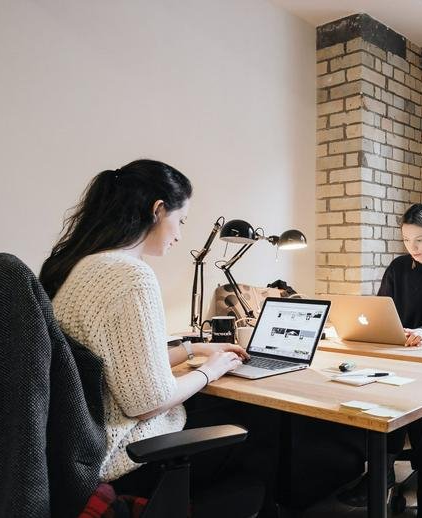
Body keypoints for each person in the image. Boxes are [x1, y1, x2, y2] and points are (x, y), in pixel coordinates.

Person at [39, 159, 277, 515]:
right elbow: (146, 402)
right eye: (180, 220)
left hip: (80, 455)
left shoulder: (85, 265)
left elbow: (120, 367)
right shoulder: (131, 276)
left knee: (217, 407)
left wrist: (192, 349)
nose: (180, 234)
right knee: (266, 422)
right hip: (129, 457)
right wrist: (211, 370)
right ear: (157, 210)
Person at [338, 203, 422, 518]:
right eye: (407, 240)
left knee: (413, 398)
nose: (413, 248)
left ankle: (395, 476)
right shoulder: (398, 267)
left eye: (421, 240)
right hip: (399, 353)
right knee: (386, 391)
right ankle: (410, 479)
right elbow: (382, 312)